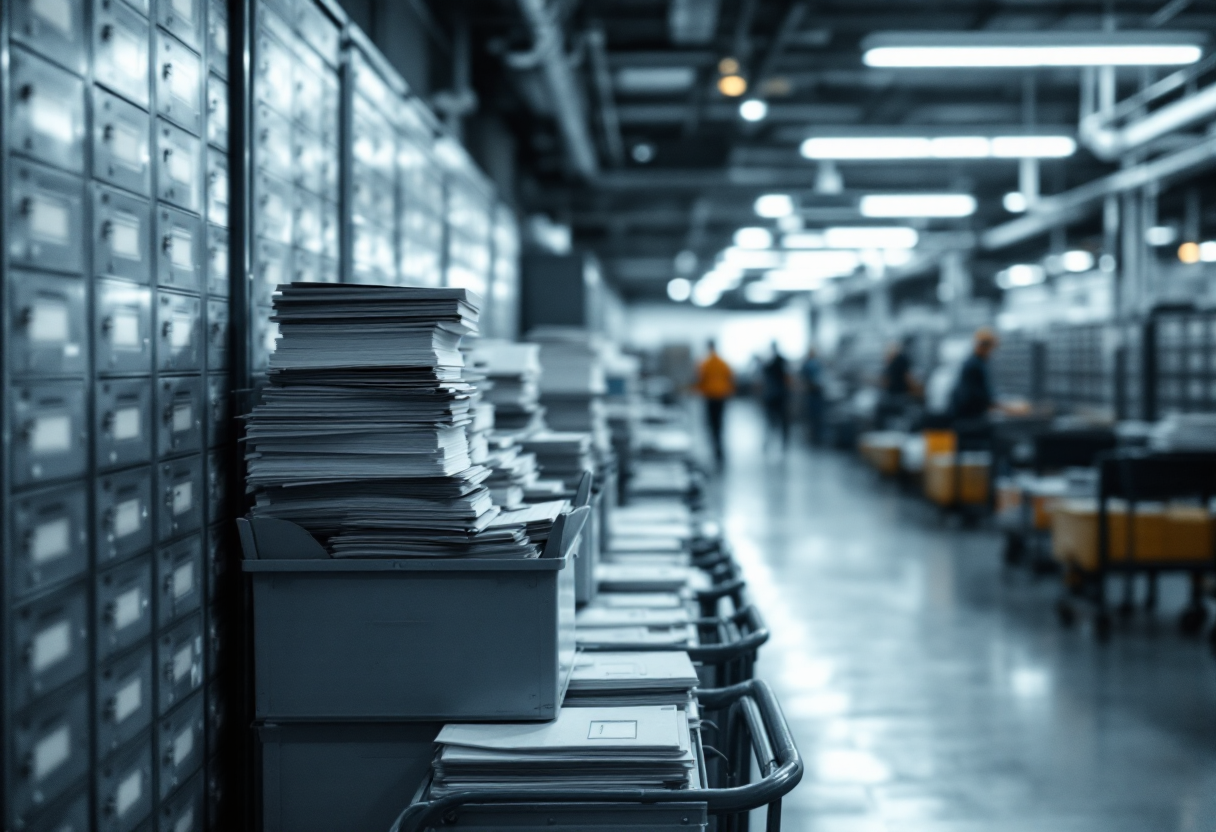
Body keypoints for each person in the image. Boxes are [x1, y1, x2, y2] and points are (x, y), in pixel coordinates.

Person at [695, 340, 735, 466]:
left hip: (710, 395)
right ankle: (719, 449)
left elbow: (700, 379)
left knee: (711, 423)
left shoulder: (705, 363)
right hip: (721, 395)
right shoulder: (723, 362)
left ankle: (715, 448)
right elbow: (730, 378)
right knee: (719, 422)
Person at [950, 328, 999, 422]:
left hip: (964, 416)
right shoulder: (975, 365)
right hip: (968, 418)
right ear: (984, 347)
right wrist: (1009, 408)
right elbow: (983, 397)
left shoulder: (973, 362)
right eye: (991, 348)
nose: (992, 353)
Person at [761, 342, 790, 450]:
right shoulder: (781, 361)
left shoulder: (771, 362)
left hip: (774, 395)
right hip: (779, 395)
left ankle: (770, 442)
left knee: (772, 421)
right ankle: (782, 443)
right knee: (780, 421)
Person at [800, 348, 825, 445]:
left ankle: (816, 435)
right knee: (812, 415)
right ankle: (813, 435)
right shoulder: (808, 365)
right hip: (811, 393)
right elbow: (804, 379)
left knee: (817, 415)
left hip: (817, 393)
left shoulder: (816, 364)